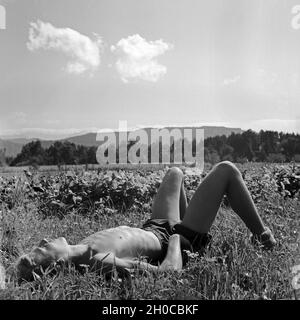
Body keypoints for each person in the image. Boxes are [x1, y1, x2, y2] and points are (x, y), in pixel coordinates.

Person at [16, 161, 276, 281]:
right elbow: (167, 273)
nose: (43, 240)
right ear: (58, 262)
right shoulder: (98, 260)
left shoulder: (83, 247)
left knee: (175, 173)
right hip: (175, 240)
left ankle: (192, 219)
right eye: (44, 248)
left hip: (156, 226)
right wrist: (176, 239)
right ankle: (263, 237)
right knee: (226, 170)